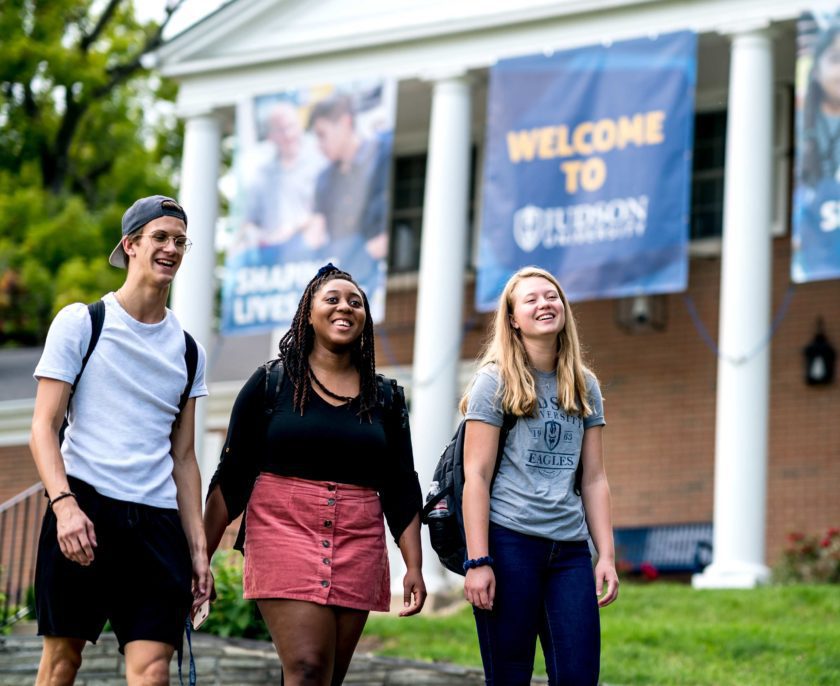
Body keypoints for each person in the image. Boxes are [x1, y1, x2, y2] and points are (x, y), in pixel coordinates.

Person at [203, 263, 426, 686]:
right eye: (333, 299)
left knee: (327, 678)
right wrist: (201, 558)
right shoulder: (270, 383)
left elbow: (400, 484)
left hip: (359, 538)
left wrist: (413, 565)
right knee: (306, 668)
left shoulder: (386, 397)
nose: (345, 307)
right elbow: (230, 476)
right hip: (283, 529)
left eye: (355, 302)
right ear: (309, 312)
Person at [29, 195, 211, 685]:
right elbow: (43, 427)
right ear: (130, 245)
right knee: (61, 663)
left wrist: (198, 550)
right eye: (160, 237)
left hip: (156, 524)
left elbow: (186, 458)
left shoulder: (189, 351)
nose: (171, 248)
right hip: (84, 507)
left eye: (179, 240)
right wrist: (64, 506)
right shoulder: (82, 323)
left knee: (153, 671)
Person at [460, 266, 619, 686]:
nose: (544, 304)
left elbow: (594, 478)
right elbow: (475, 475)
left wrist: (605, 554)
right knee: (510, 676)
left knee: (579, 676)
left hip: (569, 550)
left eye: (551, 296)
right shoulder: (495, 381)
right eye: (530, 299)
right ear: (513, 319)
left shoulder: (584, 384)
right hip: (509, 542)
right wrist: (478, 560)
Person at [304, 94, 391, 290]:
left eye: (322, 134)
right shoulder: (324, 180)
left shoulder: (383, 155)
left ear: (345, 123)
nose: (319, 145)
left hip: (376, 277)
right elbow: (315, 234)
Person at [238, 101, 324, 253]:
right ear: (270, 136)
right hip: (274, 262)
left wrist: (293, 229)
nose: (288, 134)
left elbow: (329, 211)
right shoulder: (261, 175)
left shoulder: (319, 163)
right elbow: (249, 222)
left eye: (291, 126)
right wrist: (257, 237)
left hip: (314, 256)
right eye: (281, 130)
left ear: (300, 127)